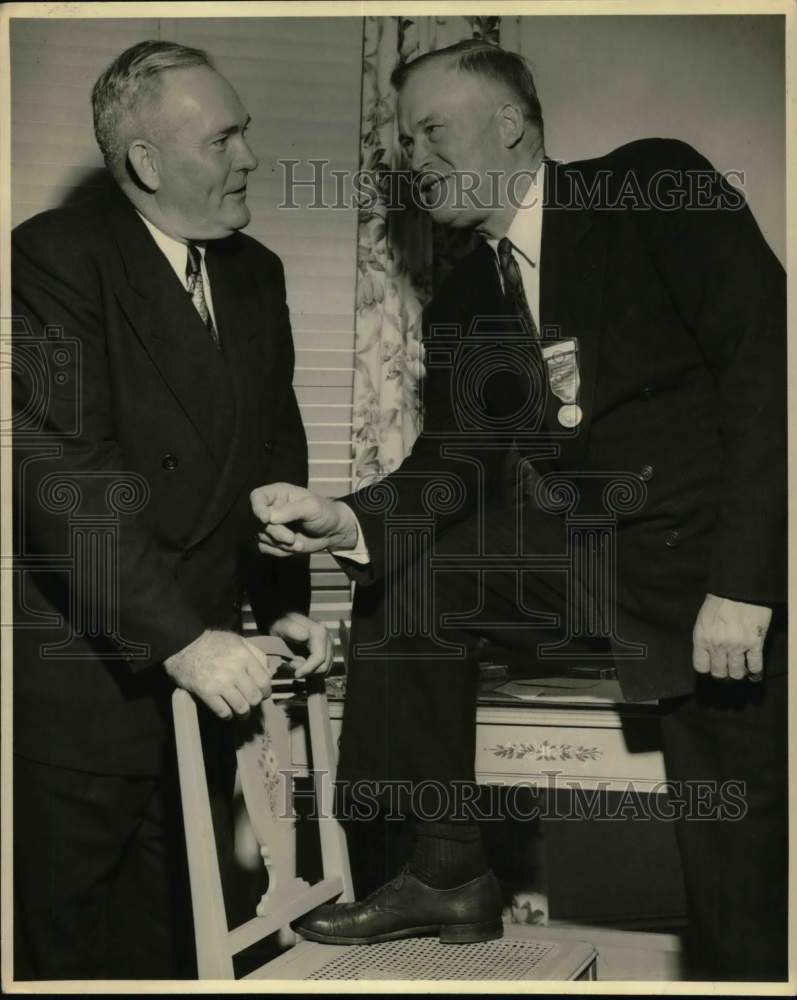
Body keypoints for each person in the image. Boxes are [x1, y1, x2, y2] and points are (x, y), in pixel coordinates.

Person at [251, 41, 787, 981]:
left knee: (741, 895)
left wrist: (743, 583)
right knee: (409, 576)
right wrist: (349, 519)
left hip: (705, 571)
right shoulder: (463, 297)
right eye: (403, 141)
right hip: (583, 565)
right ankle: (442, 866)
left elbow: (767, 373)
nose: (414, 157)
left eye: (431, 130)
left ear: (509, 124)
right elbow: (453, 463)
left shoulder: (653, 186)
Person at [12, 40, 333, 981]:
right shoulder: (53, 257)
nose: (249, 159)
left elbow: (275, 454)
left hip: (205, 698)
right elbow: (65, 473)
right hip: (88, 691)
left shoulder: (255, 271)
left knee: (182, 950)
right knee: (63, 956)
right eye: (223, 139)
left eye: (248, 134)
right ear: (146, 165)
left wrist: (281, 603)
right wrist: (183, 641)